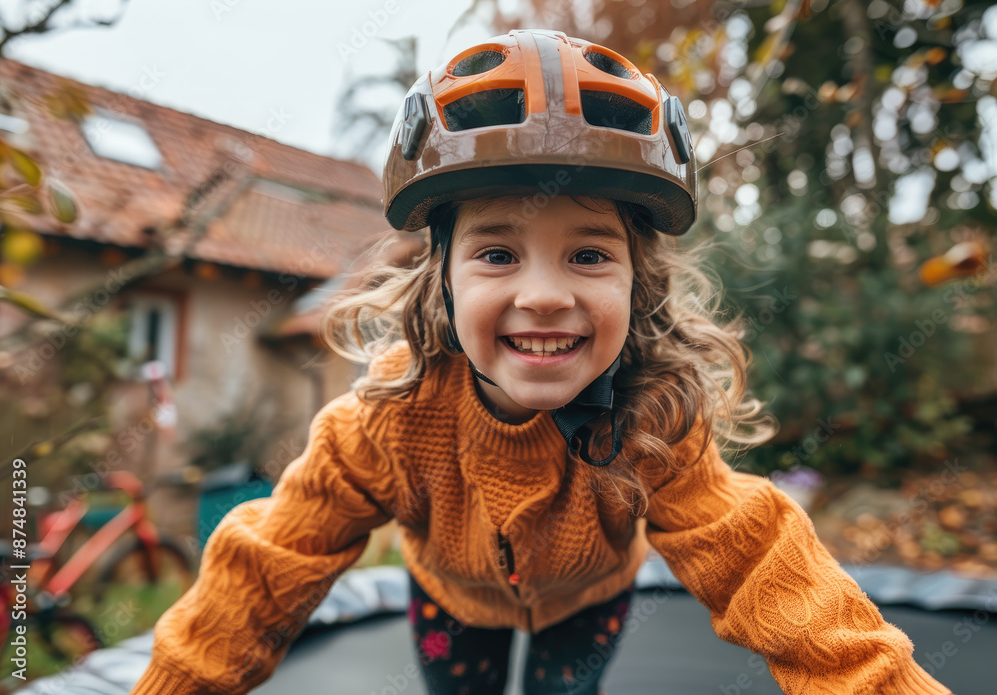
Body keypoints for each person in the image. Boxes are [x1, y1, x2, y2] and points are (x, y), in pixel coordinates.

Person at [131, 30, 953, 695]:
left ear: (642, 285)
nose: (546, 294)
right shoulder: (387, 419)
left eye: (590, 255)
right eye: (496, 253)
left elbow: (769, 569)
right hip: (450, 606)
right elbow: (264, 573)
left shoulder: (653, 419)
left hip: (587, 606)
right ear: (440, 282)